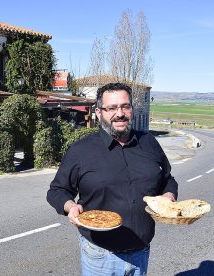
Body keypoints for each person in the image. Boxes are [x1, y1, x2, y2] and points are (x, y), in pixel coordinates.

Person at [47, 82, 178, 276]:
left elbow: (167, 179)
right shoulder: (81, 151)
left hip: (140, 253)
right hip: (100, 257)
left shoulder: (149, 143)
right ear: (99, 113)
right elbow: (57, 190)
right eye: (112, 108)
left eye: (125, 106)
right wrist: (70, 207)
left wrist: (168, 195)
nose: (120, 113)